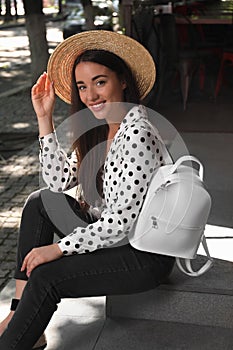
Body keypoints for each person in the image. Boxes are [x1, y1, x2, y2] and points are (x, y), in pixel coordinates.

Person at [0, 30, 175, 350]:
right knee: (41, 201)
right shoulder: (103, 128)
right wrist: (44, 118)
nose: (90, 95)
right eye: (82, 86)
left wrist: (58, 249)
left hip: (144, 255)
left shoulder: (136, 133)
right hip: (116, 237)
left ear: (123, 81)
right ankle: (20, 317)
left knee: (46, 275)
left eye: (99, 81)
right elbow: (56, 183)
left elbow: (120, 223)